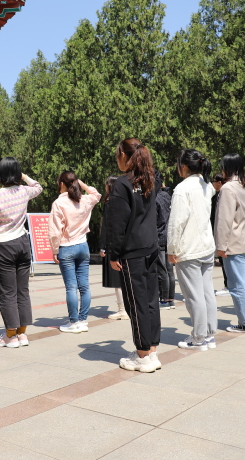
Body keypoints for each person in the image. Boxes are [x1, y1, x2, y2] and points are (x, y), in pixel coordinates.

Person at [107, 138, 162, 372]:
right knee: (150, 301)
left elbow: (117, 224)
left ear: (124, 156)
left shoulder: (122, 184)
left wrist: (113, 254)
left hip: (132, 251)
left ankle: (142, 356)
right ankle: (152, 351)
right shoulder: (151, 179)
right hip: (151, 246)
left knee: (135, 303)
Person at [0, 158, 43, 348]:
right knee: (22, 291)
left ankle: (10, 336)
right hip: (23, 244)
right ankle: (22, 334)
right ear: (17, 173)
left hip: (4, 246)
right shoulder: (24, 191)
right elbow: (38, 187)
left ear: (0, 174)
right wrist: (24, 176)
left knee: (7, 292)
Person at [167, 149, 218, 350]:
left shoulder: (182, 189)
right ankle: (209, 334)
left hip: (189, 249)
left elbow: (176, 223)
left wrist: (172, 248)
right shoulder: (206, 185)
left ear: (184, 166)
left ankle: (198, 338)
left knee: (194, 296)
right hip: (206, 246)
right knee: (207, 293)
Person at [48, 171, 101, 333]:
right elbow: (97, 195)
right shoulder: (84, 200)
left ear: (62, 184)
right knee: (84, 286)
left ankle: (74, 322)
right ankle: (83, 320)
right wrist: (81, 183)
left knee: (71, 287)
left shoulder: (59, 203)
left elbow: (55, 230)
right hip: (83, 246)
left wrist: (54, 250)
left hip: (66, 247)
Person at [215, 153, 245, 333]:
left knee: (236, 284)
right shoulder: (244, 185)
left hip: (233, 242)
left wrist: (220, 245)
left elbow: (224, 220)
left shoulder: (228, 188)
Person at [100, 176, 128, 320]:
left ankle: (122, 309)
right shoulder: (126, 200)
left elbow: (107, 226)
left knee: (118, 281)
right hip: (127, 244)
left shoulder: (110, 202)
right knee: (126, 279)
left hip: (113, 244)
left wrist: (102, 246)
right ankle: (128, 308)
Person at [156, 178, 177, 310]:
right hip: (169, 236)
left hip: (159, 236)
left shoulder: (154, 198)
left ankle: (163, 300)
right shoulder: (168, 196)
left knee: (161, 270)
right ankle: (170, 299)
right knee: (169, 270)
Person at [212, 174, 230, 295]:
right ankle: (228, 284)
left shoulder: (223, 194)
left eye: (214, 181)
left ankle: (229, 285)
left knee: (225, 260)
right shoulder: (216, 195)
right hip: (216, 230)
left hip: (222, 232)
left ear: (219, 182)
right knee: (223, 260)